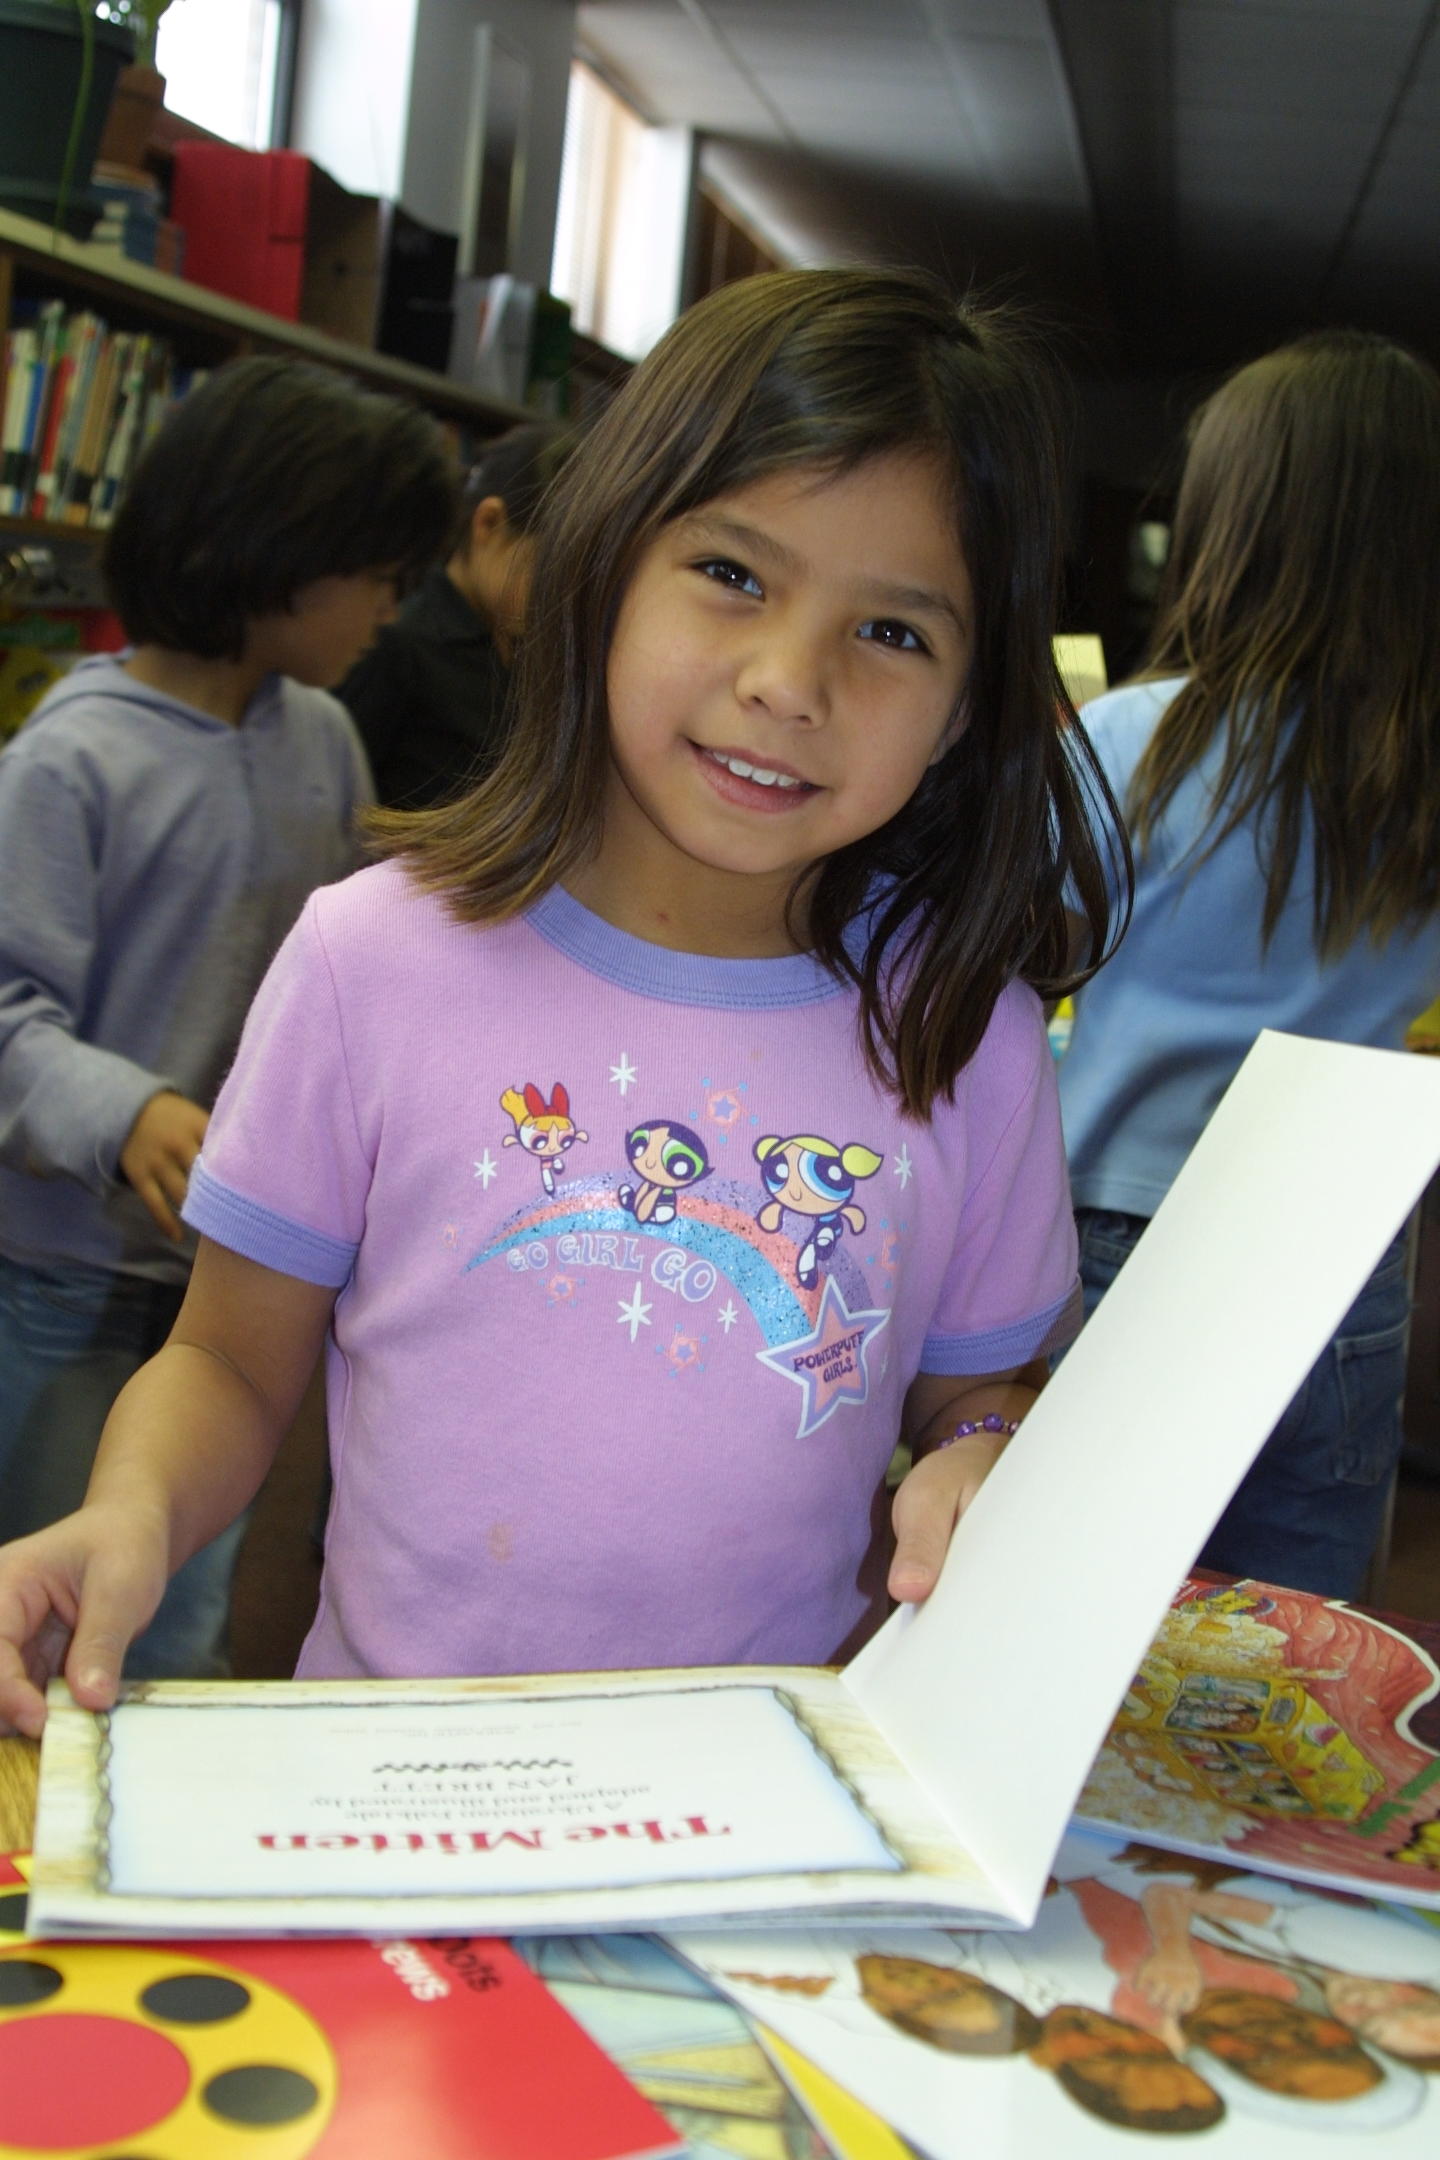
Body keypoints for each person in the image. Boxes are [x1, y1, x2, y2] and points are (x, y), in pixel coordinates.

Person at [0, 265, 1125, 1738]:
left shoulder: (964, 1034)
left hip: (779, 1808)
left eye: (895, 633)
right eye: (732, 574)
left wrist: (985, 1456)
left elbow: (978, 1396)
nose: (790, 682)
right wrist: (133, 1512)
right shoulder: (372, 960)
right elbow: (222, 1355)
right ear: (599, 568)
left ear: (973, 704)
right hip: (400, 1795)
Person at [0, 355, 455, 1681]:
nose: (391, 603)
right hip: (59, 1274)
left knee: (178, 1614)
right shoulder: (68, 764)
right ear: (272, 547)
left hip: (238, 1285)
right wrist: (126, 1110)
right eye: (374, 567)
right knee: (49, 1594)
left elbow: (348, 980)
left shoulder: (322, 741)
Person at [1058, 330, 1440, 1600]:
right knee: (1293, 1611)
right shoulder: (1423, 779)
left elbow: (1015, 955)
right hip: (1340, 1242)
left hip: (1115, 1222)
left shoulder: (1133, 739)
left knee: (1077, 1584)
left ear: (1230, 522)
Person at [335, 421, 573, 807]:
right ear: (489, 523)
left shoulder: (536, 653)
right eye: (548, 571)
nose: (561, 600)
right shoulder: (398, 641)